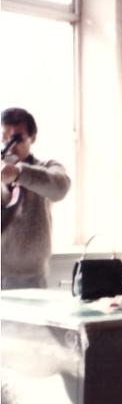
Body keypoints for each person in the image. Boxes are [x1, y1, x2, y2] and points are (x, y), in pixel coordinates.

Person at [1, 108, 70, 290]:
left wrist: (18, 173)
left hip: (30, 277)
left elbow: (61, 188)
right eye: (4, 137)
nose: (9, 145)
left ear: (33, 138)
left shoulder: (46, 167)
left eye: (18, 138)